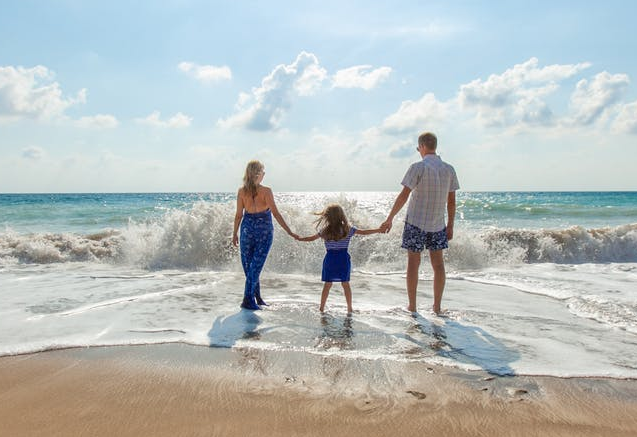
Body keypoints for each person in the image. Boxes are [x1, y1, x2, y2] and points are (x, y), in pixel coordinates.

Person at [381, 132, 459, 315]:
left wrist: (390, 218)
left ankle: (413, 306)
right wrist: (451, 225)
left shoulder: (417, 167)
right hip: (438, 224)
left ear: (422, 146)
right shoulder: (449, 169)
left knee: (413, 264)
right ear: (435, 146)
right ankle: (437, 307)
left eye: (418, 148)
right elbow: (452, 202)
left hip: (415, 222)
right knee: (438, 265)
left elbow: (403, 196)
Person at [232, 160, 298, 310]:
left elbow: (238, 215)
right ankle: (248, 300)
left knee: (251, 267)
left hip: (247, 229)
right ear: (258, 174)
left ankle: (257, 297)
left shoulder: (242, 191)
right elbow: (275, 213)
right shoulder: (266, 191)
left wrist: (235, 233)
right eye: (263, 171)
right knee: (254, 267)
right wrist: (289, 231)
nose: (264, 174)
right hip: (263, 231)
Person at [296, 204, 382, 314]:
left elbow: (311, 238)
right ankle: (349, 308)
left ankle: (322, 308)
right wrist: (379, 230)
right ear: (342, 216)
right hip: (343, 260)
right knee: (345, 284)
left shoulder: (325, 231)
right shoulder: (348, 229)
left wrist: (299, 238)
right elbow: (364, 232)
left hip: (330, 259)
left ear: (328, 217)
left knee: (327, 284)